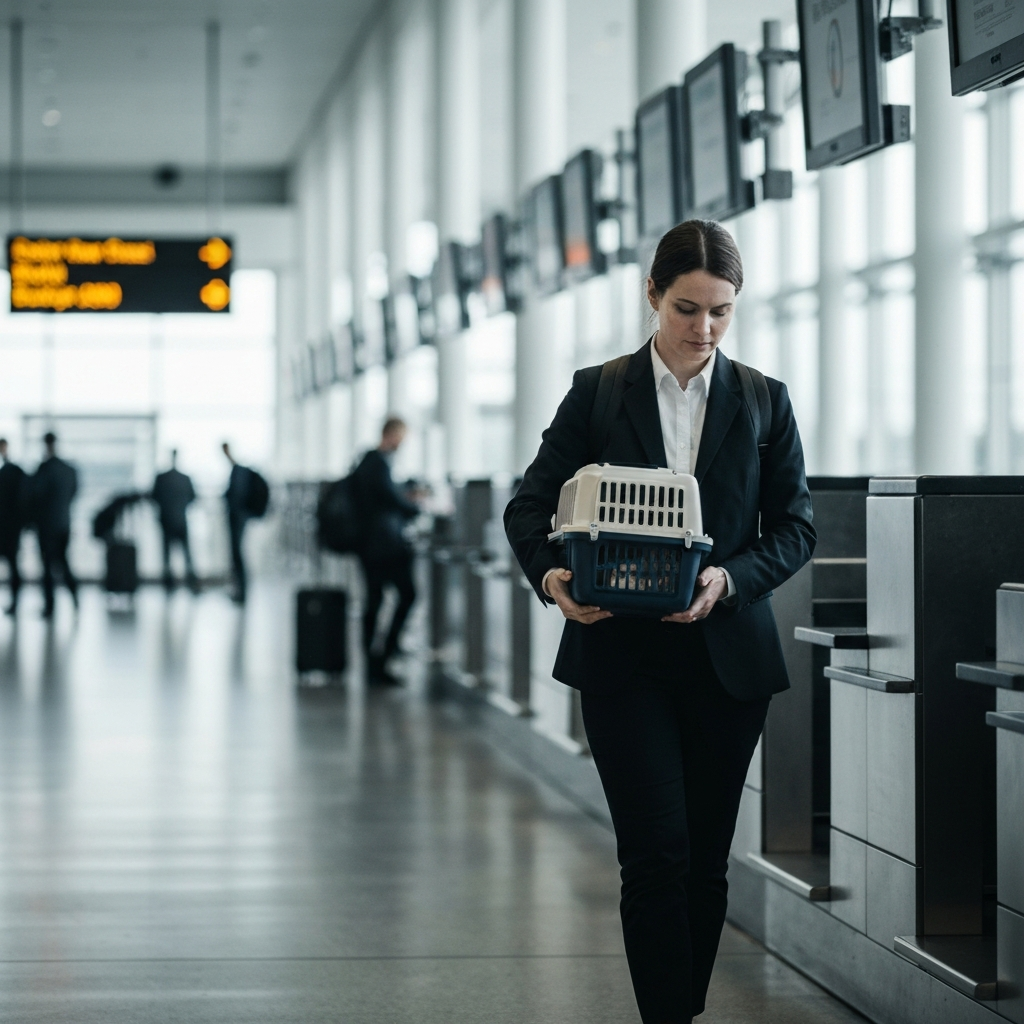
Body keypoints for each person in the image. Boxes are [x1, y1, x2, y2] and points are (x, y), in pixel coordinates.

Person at [504, 220, 815, 1024]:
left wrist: (728, 577)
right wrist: (553, 577)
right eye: (686, 309)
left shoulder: (762, 400)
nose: (703, 330)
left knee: (705, 862)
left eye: (720, 312)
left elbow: (795, 527)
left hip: (727, 662)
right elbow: (530, 506)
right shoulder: (599, 391)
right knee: (654, 856)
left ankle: (682, 1011)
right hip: (622, 657)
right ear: (651, 295)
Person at [351, 417, 421, 685]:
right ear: (391, 434)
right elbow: (390, 500)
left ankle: (377, 657)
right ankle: (380, 656)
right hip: (382, 547)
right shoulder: (377, 463)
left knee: (376, 600)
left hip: (371, 546)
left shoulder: (369, 462)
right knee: (403, 595)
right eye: (401, 436)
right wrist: (415, 507)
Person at [32, 432, 80, 619]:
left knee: (47, 566)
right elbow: (74, 493)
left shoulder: (44, 468)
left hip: (47, 525)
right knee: (63, 561)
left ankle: (50, 606)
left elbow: (36, 495)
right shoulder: (69, 469)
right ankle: (75, 597)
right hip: (64, 523)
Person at [152, 450, 198, 591]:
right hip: (181, 520)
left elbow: (154, 497)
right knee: (186, 554)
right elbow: (192, 497)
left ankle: (169, 584)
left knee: (167, 555)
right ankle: (191, 583)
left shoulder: (161, 478)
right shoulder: (184, 478)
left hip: (166, 520)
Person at [222, 442, 251, 603]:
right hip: (239, 518)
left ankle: (242, 592)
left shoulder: (238, 472)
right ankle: (240, 591)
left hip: (237, 519)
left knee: (238, 555)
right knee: (237, 555)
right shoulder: (237, 471)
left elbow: (236, 497)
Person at [0, 439, 25, 615]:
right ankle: (15, 603)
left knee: (12, 564)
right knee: (13, 564)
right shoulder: (12, 471)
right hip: (10, 526)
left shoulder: (11, 471)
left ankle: (15, 602)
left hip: (9, 527)